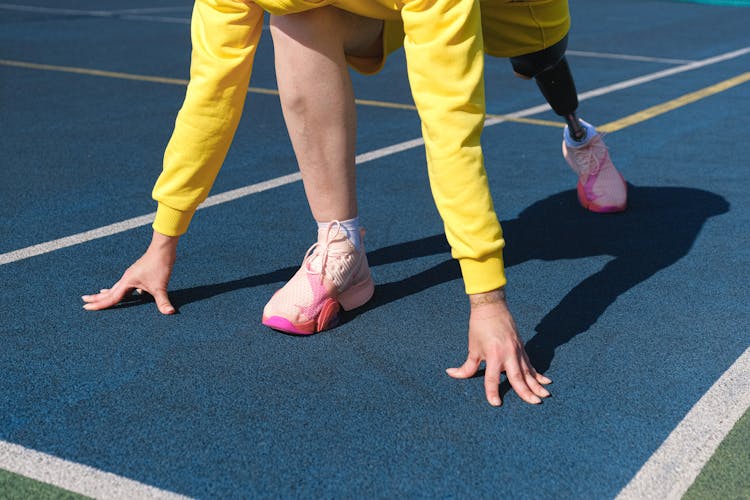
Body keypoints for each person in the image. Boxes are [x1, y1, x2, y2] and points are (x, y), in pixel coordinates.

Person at [81, 0, 622, 408]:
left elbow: (449, 126)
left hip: (514, 11)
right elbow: (211, 93)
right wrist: (163, 240)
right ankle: (340, 245)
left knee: (541, 60)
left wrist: (487, 300)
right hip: (369, 8)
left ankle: (579, 134)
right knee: (295, 23)